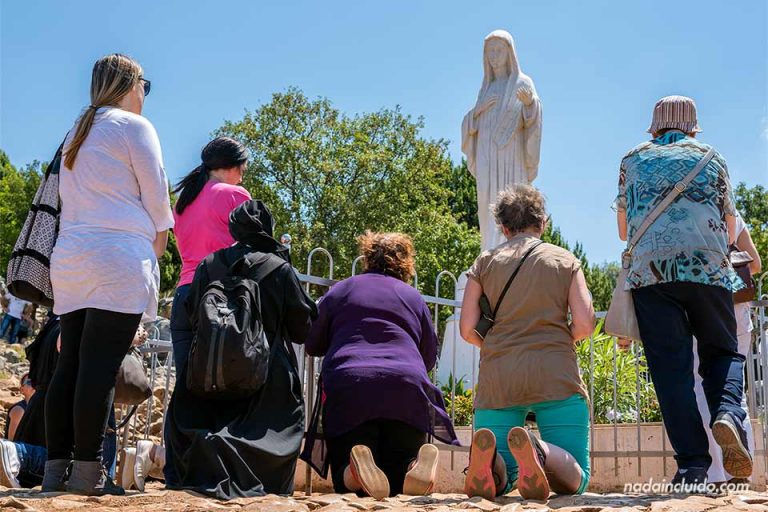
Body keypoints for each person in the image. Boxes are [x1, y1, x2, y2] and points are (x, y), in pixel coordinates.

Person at [45, 53, 174, 496]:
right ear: (128, 85)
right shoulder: (135, 127)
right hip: (117, 256)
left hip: (72, 259)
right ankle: (88, 471)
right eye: (144, 85)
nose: (145, 94)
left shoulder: (77, 131)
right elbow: (158, 199)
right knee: (99, 368)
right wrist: (156, 250)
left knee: (70, 365)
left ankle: (55, 470)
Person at [615, 95, 749, 484]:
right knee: (722, 352)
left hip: (652, 274)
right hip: (708, 269)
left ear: (654, 125)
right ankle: (728, 412)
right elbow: (730, 227)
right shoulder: (713, 157)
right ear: (692, 127)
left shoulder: (632, 160)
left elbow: (623, 230)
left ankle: (692, 464)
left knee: (670, 370)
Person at [165, 200, 316, 499]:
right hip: (266, 372)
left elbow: (193, 313)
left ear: (233, 229)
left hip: (209, 367)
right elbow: (301, 329)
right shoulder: (280, 269)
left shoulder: (209, 264)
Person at [459, 184, 595, 500]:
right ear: (542, 223)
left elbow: (467, 329)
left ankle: (493, 465)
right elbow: (585, 323)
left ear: (503, 227)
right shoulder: (565, 260)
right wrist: (561, 340)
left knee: (504, 474)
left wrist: (495, 347)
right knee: (577, 476)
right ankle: (540, 451)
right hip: (555, 371)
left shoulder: (485, 262)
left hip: (499, 374)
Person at [305, 232, 459, 499]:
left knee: (346, 466)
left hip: (351, 383)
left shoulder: (341, 289)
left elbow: (312, 342)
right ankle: (412, 468)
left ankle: (353, 473)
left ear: (367, 257)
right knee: (398, 470)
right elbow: (428, 355)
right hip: (406, 385)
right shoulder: (413, 297)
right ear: (406, 264)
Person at [169, 136, 251, 375]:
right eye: (242, 170)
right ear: (232, 166)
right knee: (222, 383)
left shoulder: (182, 203)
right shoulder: (235, 195)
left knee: (185, 383)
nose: (241, 178)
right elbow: (253, 249)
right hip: (220, 296)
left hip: (184, 294)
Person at [693, 213, 762, 484]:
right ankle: (741, 474)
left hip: (700, 312)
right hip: (736, 314)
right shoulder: (731, 215)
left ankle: (714, 475)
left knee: (700, 390)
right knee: (735, 391)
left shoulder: (682, 216)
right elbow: (754, 264)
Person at [4, 373, 34, 441]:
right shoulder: (19, 410)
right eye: (29, 382)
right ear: (22, 389)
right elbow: (12, 441)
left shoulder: (39, 409)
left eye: (36, 382)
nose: (34, 385)